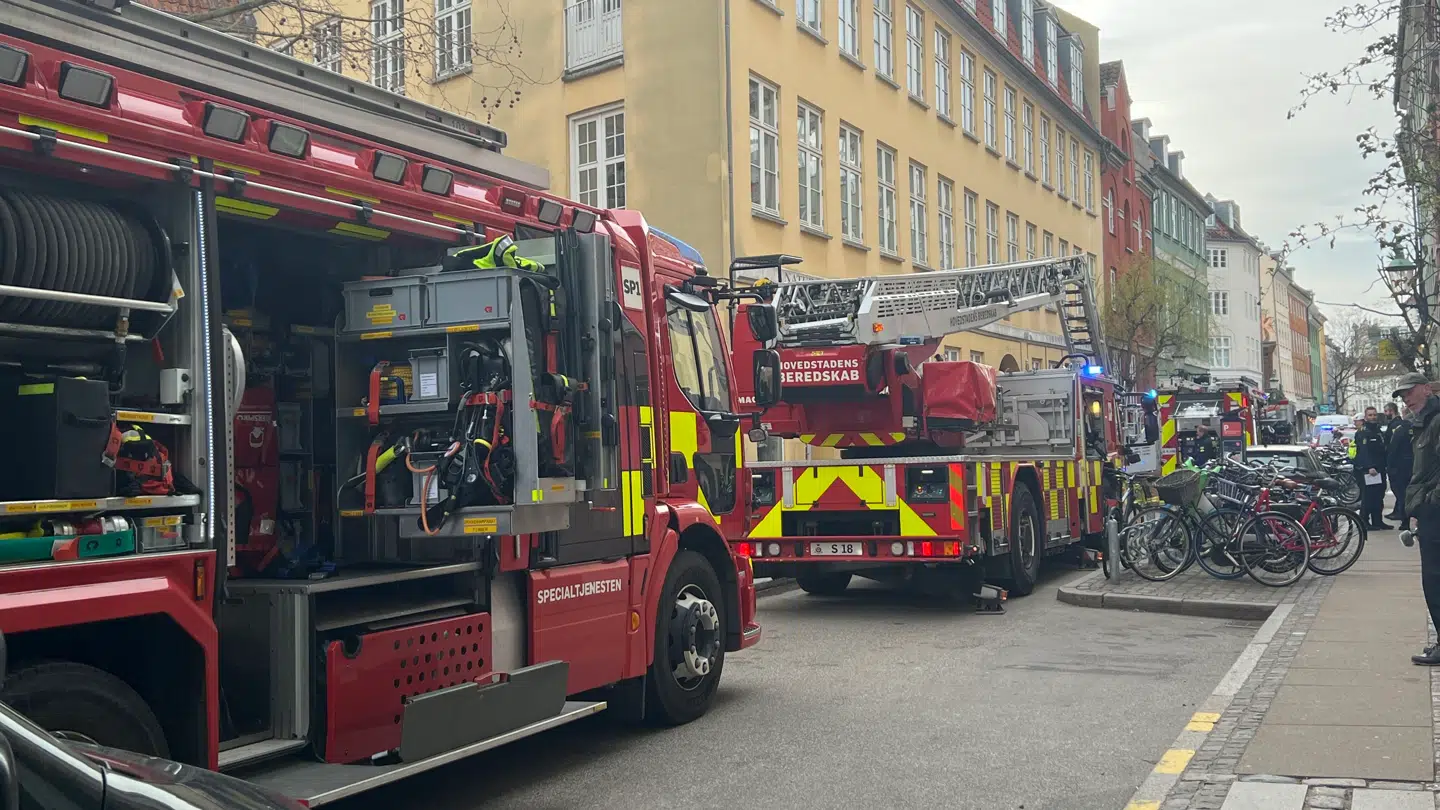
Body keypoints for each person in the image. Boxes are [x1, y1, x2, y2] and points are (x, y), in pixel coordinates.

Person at [1395, 373, 1440, 665]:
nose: (1406, 399)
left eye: (1409, 392)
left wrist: (1430, 502)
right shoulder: (1422, 423)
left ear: (1426, 389)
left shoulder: (1435, 421)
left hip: (1435, 511)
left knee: (1434, 579)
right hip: (1429, 511)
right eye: (1402, 395)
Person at [1354, 406, 1390, 530]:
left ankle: (1377, 521)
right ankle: (1364, 522)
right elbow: (1364, 452)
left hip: (1380, 468)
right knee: (1368, 497)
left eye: (1374, 415)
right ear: (1365, 417)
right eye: (1370, 415)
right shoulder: (1363, 432)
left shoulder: (1378, 431)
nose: (1373, 417)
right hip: (1369, 471)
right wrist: (1369, 466)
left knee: (1379, 496)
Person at [1388, 402, 1415, 523]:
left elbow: (1393, 449)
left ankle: (1405, 521)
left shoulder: (1400, 430)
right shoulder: (1417, 428)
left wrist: (1390, 466)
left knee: (1402, 494)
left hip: (1400, 468)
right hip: (1413, 466)